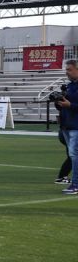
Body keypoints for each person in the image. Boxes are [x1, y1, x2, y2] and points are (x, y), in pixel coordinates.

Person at [55, 59, 78, 195]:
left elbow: (71, 105)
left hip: (76, 126)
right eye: (66, 69)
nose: (67, 72)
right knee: (73, 155)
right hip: (67, 125)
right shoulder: (69, 86)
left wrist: (70, 105)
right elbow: (63, 107)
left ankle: (75, 184)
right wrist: (58, 102)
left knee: (74, 155)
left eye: (69, 69)